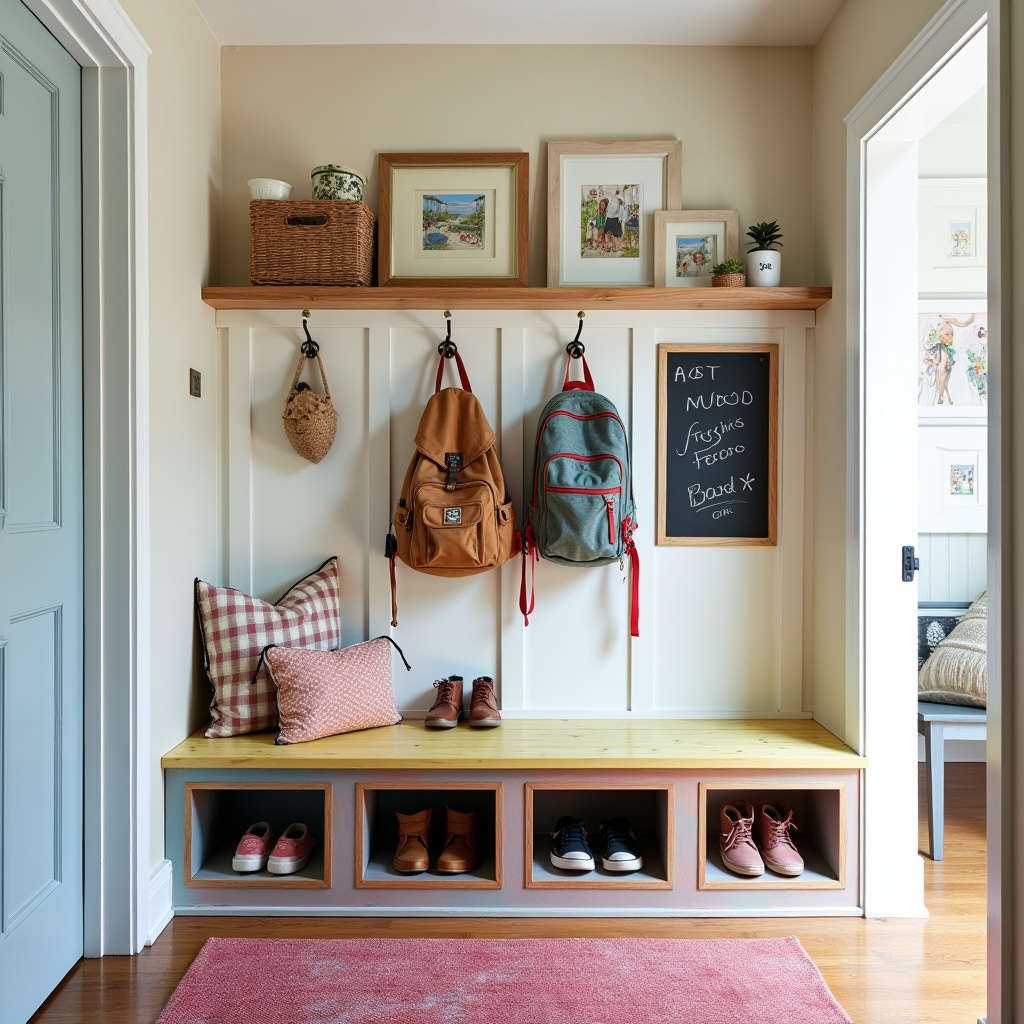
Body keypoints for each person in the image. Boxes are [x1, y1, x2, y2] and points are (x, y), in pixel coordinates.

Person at [605, 189, 626, 253]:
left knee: (617, 234)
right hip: (610, 217)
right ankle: (611, 246)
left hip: (615, 218)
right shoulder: (611, 198)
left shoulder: (619, 198)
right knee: (609, 233)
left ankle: (616, 247)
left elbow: (621, 207)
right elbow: (609, 209)